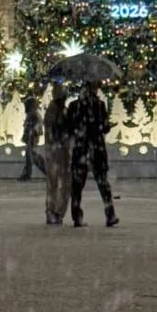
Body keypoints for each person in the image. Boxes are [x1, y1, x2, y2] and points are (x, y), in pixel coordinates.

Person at [67, 76, 119, 228]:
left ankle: (77, 216)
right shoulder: (99, 105)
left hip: (81, 148)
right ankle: (110, 214)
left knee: (77, 185)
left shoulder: (74, 106)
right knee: (102, 183)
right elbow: (105, 127)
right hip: (96, 148)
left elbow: (69, 127)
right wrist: (101, 126)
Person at [43, 83, 72, 225]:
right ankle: (56, 211)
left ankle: (54, 211)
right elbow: (56, 130)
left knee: (55, 182)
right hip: (58, 150)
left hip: (56, 149)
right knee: (60, 182)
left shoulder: (55, 111)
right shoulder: (56, 111)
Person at [19, 95, 45, 181]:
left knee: (32, 157)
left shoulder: (33, 115)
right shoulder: (35, 114)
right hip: (32, 138)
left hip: (32, 138)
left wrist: (29, 135)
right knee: (31, 156)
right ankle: (27, 174)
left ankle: (27, 174)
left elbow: (31, 127)